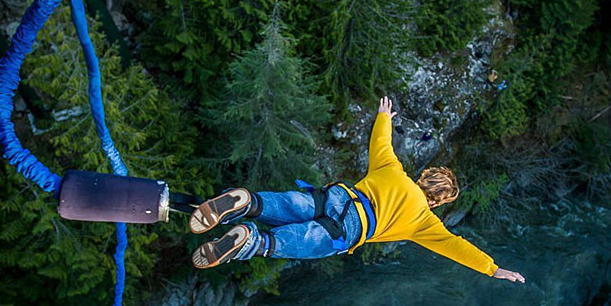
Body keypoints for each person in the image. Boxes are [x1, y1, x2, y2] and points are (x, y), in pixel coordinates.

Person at [189, 96, 525, 283]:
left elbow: (381, 142)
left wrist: (384, 117)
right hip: (351, 229)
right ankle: (251, 239)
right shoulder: (424, 222)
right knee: (289, 242)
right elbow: (455, 247)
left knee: (290, 204)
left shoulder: (392, 169)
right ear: (436, 201)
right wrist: (493, 268)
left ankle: (247, 202)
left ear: (424, 177)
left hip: (339, 196)